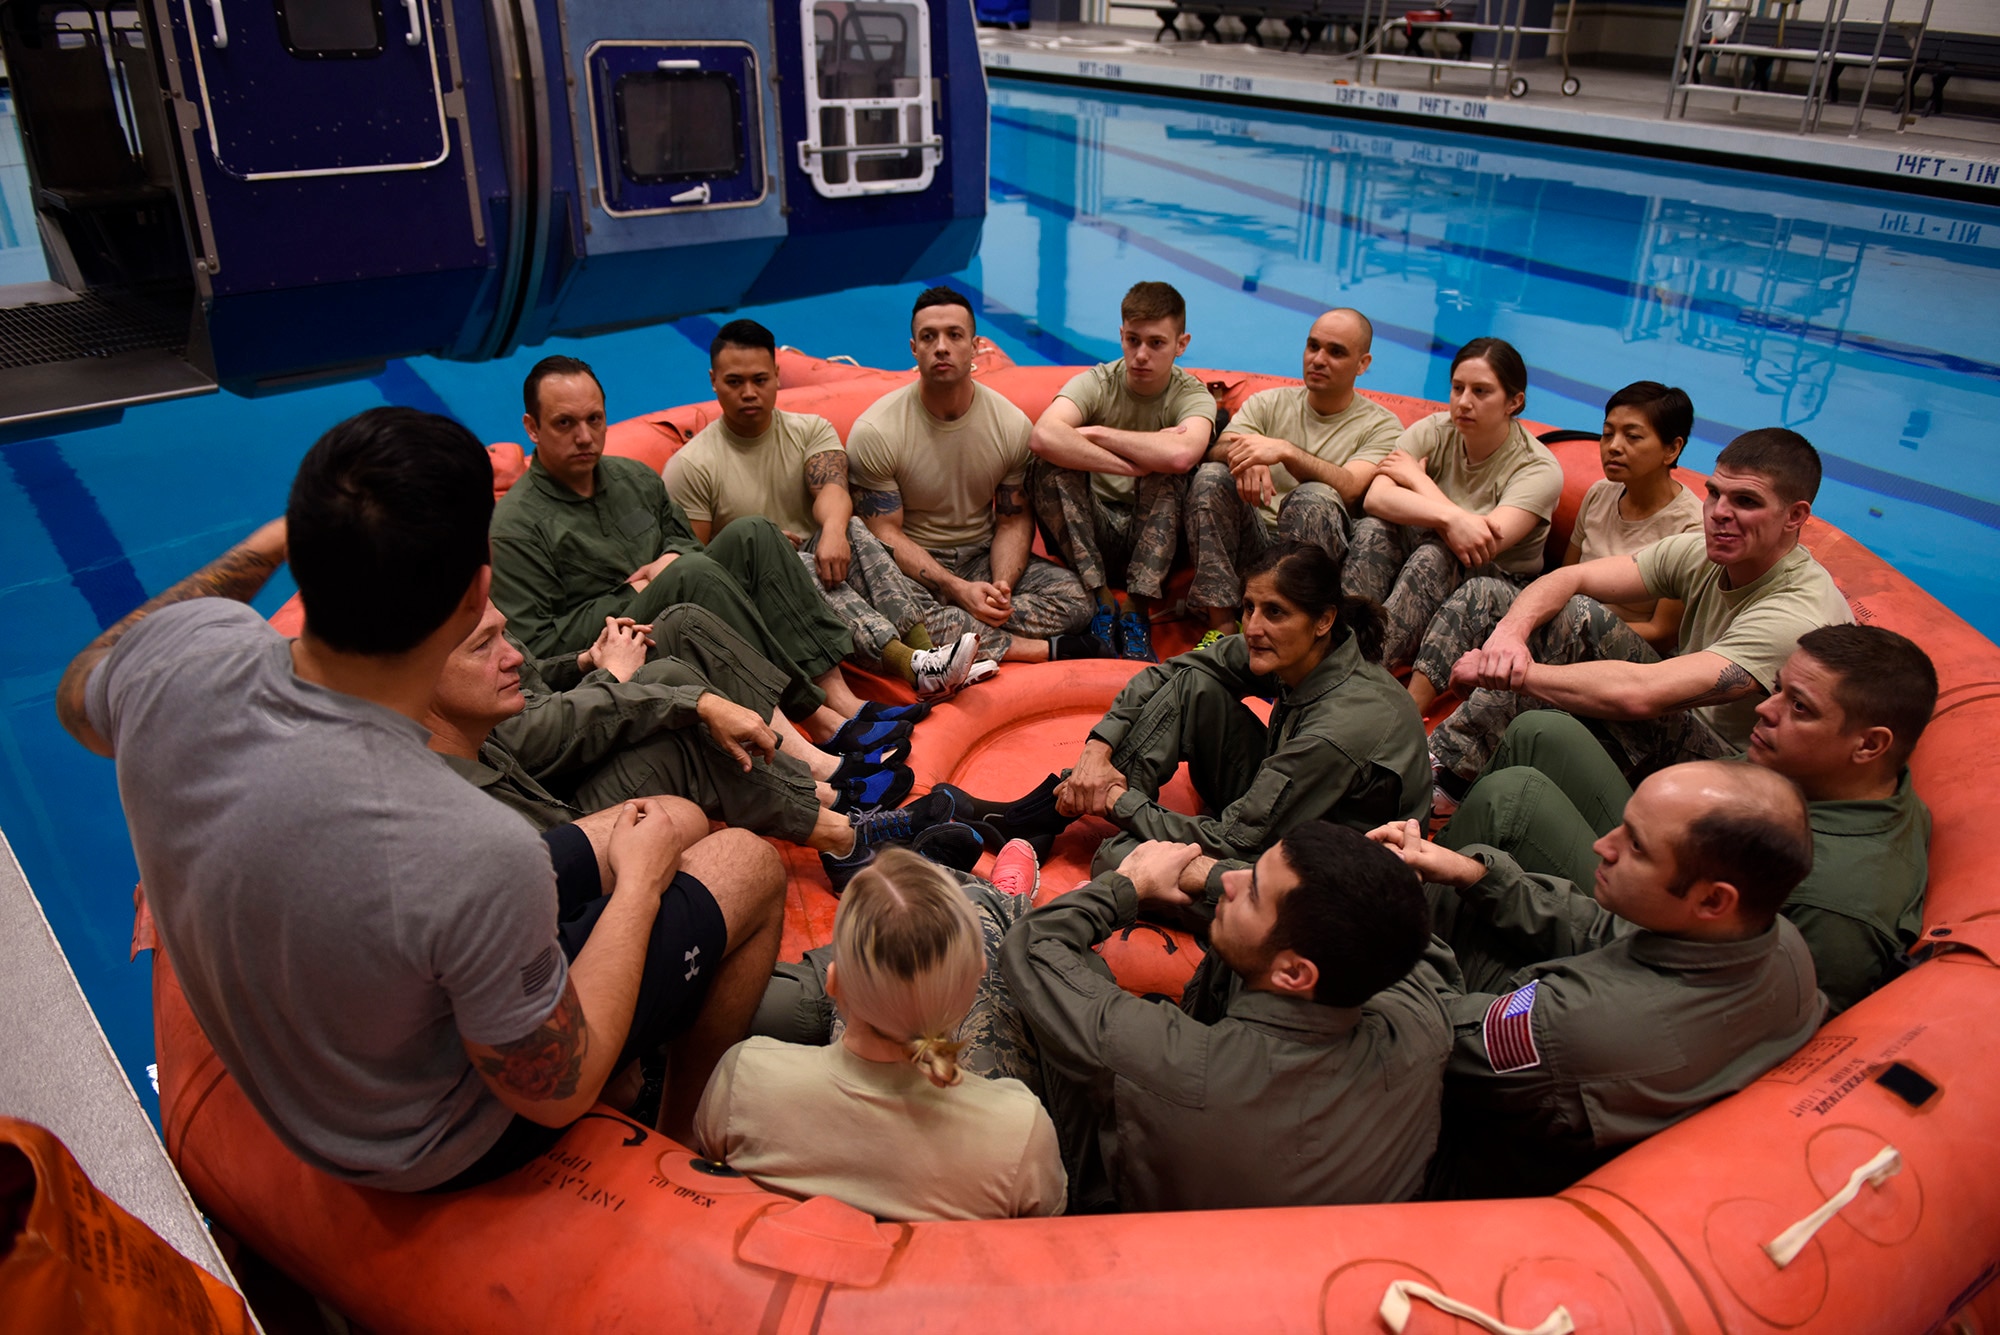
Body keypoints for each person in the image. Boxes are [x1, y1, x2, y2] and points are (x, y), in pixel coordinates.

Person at [56, 407, 785, 1189]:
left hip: (318, 1029)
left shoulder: (180, 660)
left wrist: (274, 542)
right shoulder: (464, 842)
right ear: (478, 594)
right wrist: (638, 889)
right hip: (424, 1138)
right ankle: (680, 1143)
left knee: (664, 820)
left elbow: (78, 692)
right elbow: (551, 1088)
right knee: (744, 860)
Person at [1372, 760, 1823, 1198]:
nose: (1603, 845)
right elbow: (1605, 934)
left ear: (1712, 900)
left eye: (1637, 846)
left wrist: (1392, 910)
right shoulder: (1775, 940)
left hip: (1460, 1170)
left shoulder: (1581, 1026)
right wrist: (1476, 876)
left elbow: (1432, 1033)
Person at [1440, 625, 1935, 1015]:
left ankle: (1409, 932)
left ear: (1870, 745)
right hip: (1694, 864)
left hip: (1677, 943)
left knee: (1512, 800)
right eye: (1779, 689)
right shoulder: (1828, 776)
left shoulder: (1838, 909)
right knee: (1543, 732)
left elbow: (1753, 1020)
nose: (1764, 708)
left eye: (1799, 707)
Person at [997, 825, 1452, 1212]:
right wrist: (1382, 878)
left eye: (1253, 893)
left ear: (1295, 973)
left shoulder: (1175, 1062)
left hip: (1137, 1224)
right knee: (1243, 955)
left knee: (1031, 955)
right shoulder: (1421, 1029)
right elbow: (1418, 948)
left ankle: (1002, 901)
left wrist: (1127, 885)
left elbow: (1031, 948)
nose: (1230, 879)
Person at [490, 355, 907, 745]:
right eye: (565, 423)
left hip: (683, 602)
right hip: (613, 648)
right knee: (691, 572)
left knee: (754, 533)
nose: (584, 437)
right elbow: (537, 646)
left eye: (594, 419)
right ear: (532, 427)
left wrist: (669, 559)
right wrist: (639, 591)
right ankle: (816, 716)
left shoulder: (633, 478)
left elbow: (685, 542)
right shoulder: (516, 525)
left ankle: (840, 697)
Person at [1430, 428, 1854, 790]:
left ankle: (1442, 778)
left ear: (1795, 516)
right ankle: (1414, 717)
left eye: (1745, 501)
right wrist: (1508, 637)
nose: (1720, 514)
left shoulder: (1795, 614)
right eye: (1714, 493)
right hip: (1676, 722)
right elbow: (1570, 577)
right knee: (1491, 594)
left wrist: (1508, 674)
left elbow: (1642, 695)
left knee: (1577, 619)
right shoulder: (1705, 552)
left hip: (1735, 774)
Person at [425, 602, 942, 876]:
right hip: (560, 816)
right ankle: (834, 806)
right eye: (485, 643)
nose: (508, 651)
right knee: (673, 693)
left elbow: (532, 667)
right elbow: (523, 733)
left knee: (686, 616)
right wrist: (615, 677)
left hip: (552, 763)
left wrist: (585, 661)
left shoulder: (460, 593)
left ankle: (831, 781)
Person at [694, 849, 1067, 1221]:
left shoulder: (745, 1075)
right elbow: (1042, 1236)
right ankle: (1032, 918)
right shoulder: (1018, 1129)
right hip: (941, 1269)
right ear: (973, 988)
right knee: (991, 915)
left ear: (834, 981)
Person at [1055, 542, 1430, 877]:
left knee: (1119, 857)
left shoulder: (1338, 730)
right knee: (1193, 686)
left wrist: (1119, 801)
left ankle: (1093, 807)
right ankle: (1078, 796)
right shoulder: (1308, 651)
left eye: (1275, 612)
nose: (1252, 628)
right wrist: (1097, 751)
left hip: (1333, 874)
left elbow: (1234, 840)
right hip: (1293, 811)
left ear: (1324, 620)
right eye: (1249, 608)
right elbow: (1173, 671)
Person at [665, 319, 979, 697]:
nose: (749, 392)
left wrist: (832, 532)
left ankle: (928, 654)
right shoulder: (692, 466)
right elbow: (693, 566)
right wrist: (755, 548)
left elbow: (831, 487)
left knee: (852, 528)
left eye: (760, 380)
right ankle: (910, 665)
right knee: (790, 561)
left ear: (778, 376)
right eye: (735, 382)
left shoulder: (810, 430)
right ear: (713, 380)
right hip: (756, 596)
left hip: (825, 568)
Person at [1406, 381, 1702, 716]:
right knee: (1480, 592)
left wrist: (1564, 630)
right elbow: (1565, 574)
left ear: (1672, 449)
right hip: (1570, 621)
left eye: (1632, 437)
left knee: (1562, 624)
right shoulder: (1600, 494)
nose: (1614, 447)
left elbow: (1663, 633)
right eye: (1607, 434)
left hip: (1627, 652)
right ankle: (1411, 708)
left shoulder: (1690, 527)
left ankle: (1447, 750)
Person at [847, 287, 1102, 665]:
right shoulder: (876, 431)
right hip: (913, 571)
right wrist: (955, 588)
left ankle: (965, 635)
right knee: (890, 610)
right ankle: (1038, 650)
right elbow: (884, 533)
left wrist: (1000, 588)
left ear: (975, 345)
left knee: (1077, 602)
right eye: (929, 337)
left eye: (954, 335)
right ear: (914, 349)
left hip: (979, 558)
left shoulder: (1009, 424)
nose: (942, 347)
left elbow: (1012, 519)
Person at [1340, 337, 1563, 672]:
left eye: (1481, 391)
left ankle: (1366, 668)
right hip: (1432, 551)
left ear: (1514, 402)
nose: (1463, 402)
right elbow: (1376, 497)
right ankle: (1343, 643)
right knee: (1374, 528)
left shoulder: (1537, 469)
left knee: (1438, 552)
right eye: (1458, 388)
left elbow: (1482, 542)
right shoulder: (1435, 429)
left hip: (1498, 579)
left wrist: (1419, 481)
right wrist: (1450, 517)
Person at [1184, 308, 1401, 643]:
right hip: (1254, 546)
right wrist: (1241, 456)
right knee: (1212, 475)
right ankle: (1222, 628)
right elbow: (1218, 448)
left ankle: (1292, 636)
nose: (1318, 359)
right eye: (1313, 347)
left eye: (1336, 352)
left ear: (1362, 364)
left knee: (1314, 495)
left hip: (1318, 561)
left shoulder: (1382, 426)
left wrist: (1286, 452)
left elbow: (1353, 488)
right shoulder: (1269, 403)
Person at [1029, 280, 1218, 661]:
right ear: (1121, 335)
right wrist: (1136, 462)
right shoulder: (1099, 382)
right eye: (1133, 340)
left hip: (1155, 541)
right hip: (1094, 537)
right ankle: (1100, 601)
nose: (1141, 355)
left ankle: (1135, 608)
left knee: (1172, 472)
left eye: (1157, 343)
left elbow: (1182, 456)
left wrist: (1097, 432)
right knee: (1047, 463)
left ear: (1182, 345)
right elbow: (1043, 436)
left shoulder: (1192, 395)